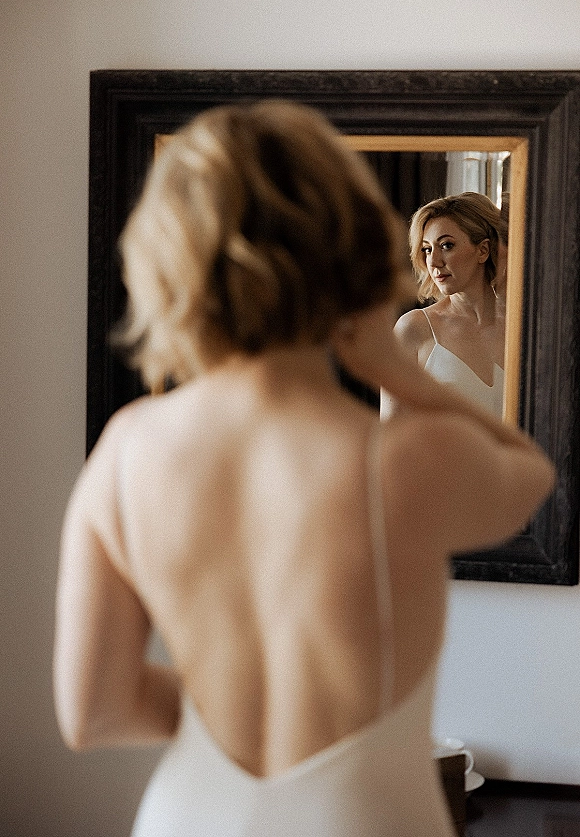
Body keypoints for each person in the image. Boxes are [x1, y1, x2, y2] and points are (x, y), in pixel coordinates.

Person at [53, 101, 554, 837]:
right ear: (351, 250)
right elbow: (530, 472)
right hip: (363, 818)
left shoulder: (125, 451)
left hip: (187, 815)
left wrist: (223, 703)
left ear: (168, 256)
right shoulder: (401, 461)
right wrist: (397, 370)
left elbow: (94, 710)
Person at [381, 192, 508, 420]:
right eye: (427, 249)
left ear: (483, 250)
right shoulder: (413, 329)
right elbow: (392, 429)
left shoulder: (520, 327)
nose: (433, 261)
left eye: (446, 245)